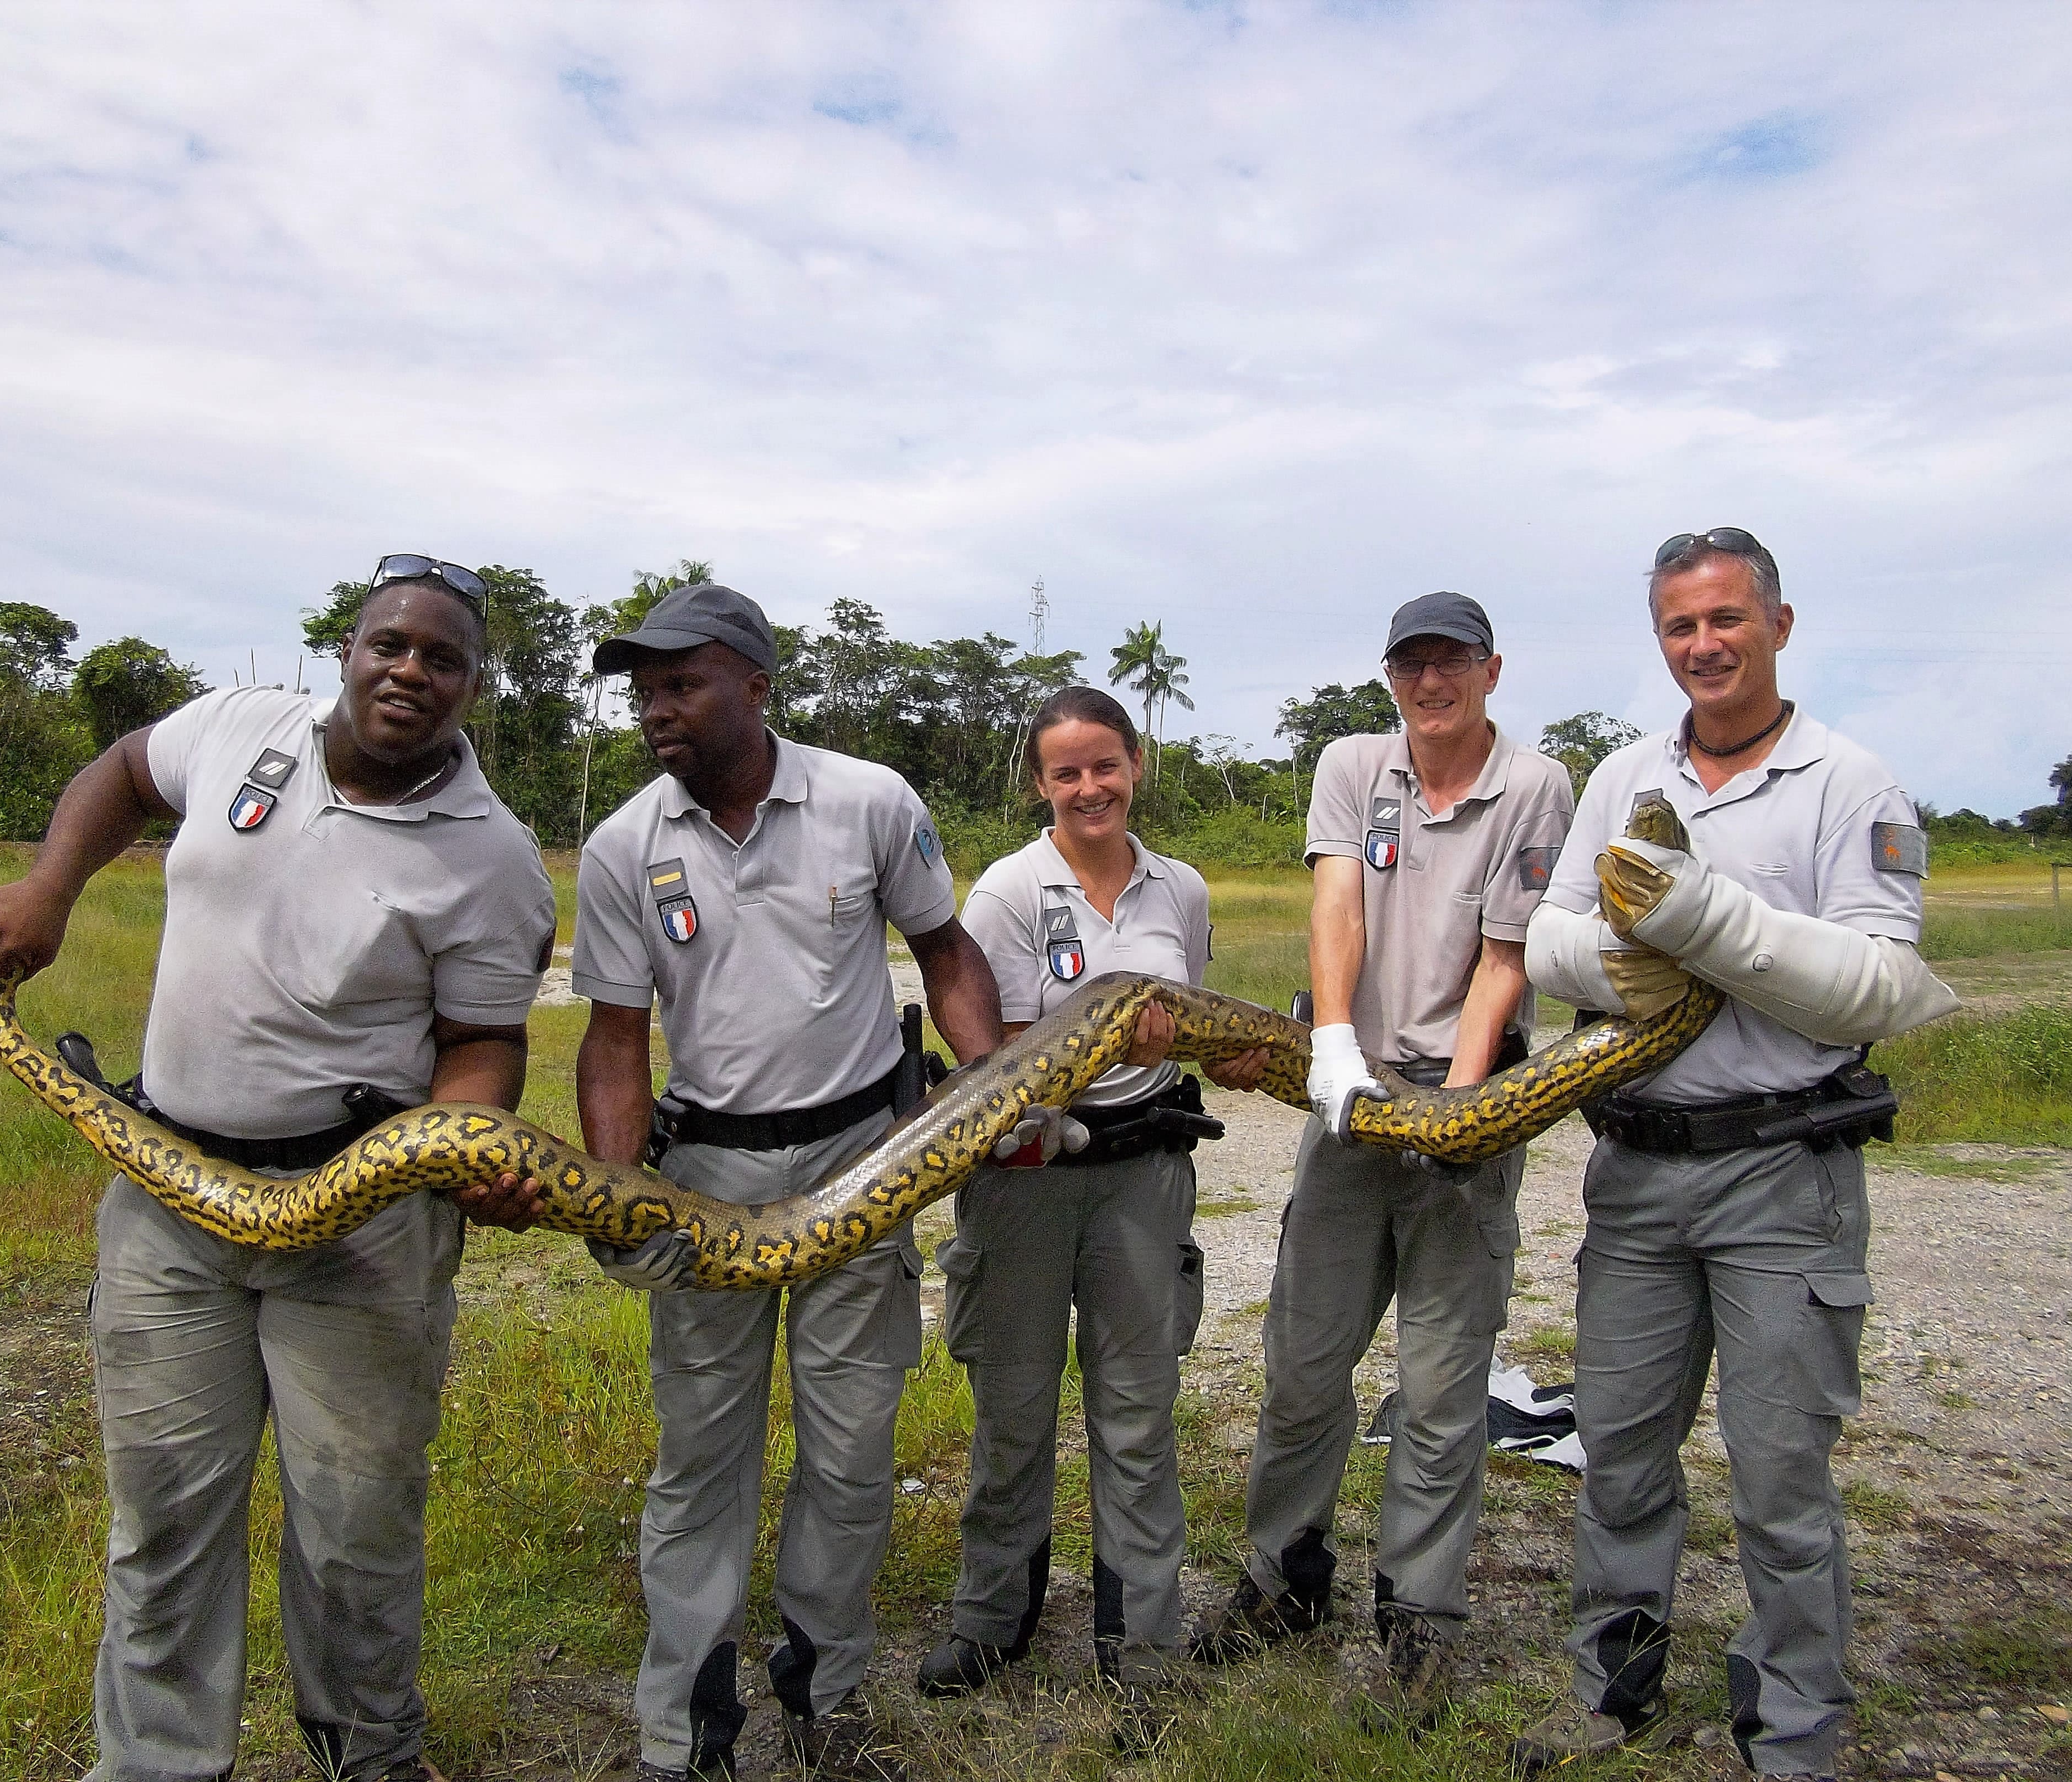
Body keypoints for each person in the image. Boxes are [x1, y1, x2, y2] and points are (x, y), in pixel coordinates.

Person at [0, 555, 557, 1782]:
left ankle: (371, 1758)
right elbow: (125, 770)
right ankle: (157, 1767)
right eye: (390, 644)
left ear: (470, 688)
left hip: (361, 1222)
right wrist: (49, 886)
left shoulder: (493, 855)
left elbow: (482, 1044)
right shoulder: (238, 730)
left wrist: (468, 1147)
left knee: (356, 1528)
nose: (410, 672)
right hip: (169, 1195)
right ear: (347, 648)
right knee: (165, 1519)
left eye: (441, 660)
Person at [1515, 529, 1960, 1778]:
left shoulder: (1846, 783)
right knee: (1617, 1451)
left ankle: (1794, 1733)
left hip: (1780, 1174)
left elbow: (1876, 986)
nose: (1701, 646)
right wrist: (1621, 962)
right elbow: (1548, 939)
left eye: (1723, 619)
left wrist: (1697, 921)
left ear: (1776, 623)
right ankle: (1607, 1692)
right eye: (1677, 627)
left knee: (1778, 1477)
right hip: (1636, 1170)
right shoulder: (1621, 775)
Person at [568, 584, 1007, 1782]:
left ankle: (827, 1698)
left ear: (756, 686)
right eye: (645, 690)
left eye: (682, 684)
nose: (657, 710)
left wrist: (1005, 1092)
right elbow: (613, 1038)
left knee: (851, 1449)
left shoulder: (869, 801)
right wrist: (613, 1196)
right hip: (704, 1176)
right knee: (700, 1456)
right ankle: (685, 1730)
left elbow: (944, 951)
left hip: (864, 1160)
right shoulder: (623, 847)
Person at [1193, 592, 1574, 1730]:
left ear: (1491, 670)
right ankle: (1280, 1576)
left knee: (1446, 1385)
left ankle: (1420, 1610)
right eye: (1411, 663)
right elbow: (1335, 905)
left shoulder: (1538, 784)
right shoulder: (1354, 765)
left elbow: (1503, 958)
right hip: (1351, 1098)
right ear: (1390, 676)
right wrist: (1331, 1051)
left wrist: (1455, 1113)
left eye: (1450, 660)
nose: (1429, 680)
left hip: (1470, 1089)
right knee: (1303, 1363)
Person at [912, 687, 1271, 1710]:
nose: (1088, 788)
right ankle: (992, 1622)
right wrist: (1099, 1034)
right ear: (1039, 783)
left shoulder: (1183, 890)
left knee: (1138, 1413)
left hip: (1143, 1178)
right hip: (1026, 1182)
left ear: (1136, 766)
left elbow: (1194, 1016)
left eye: (1104, 766)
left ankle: (1144, 1643)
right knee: (1014, 1415)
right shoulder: (1007, 894)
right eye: (1066, 772)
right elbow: (994, 1061)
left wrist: (1192, 1048)